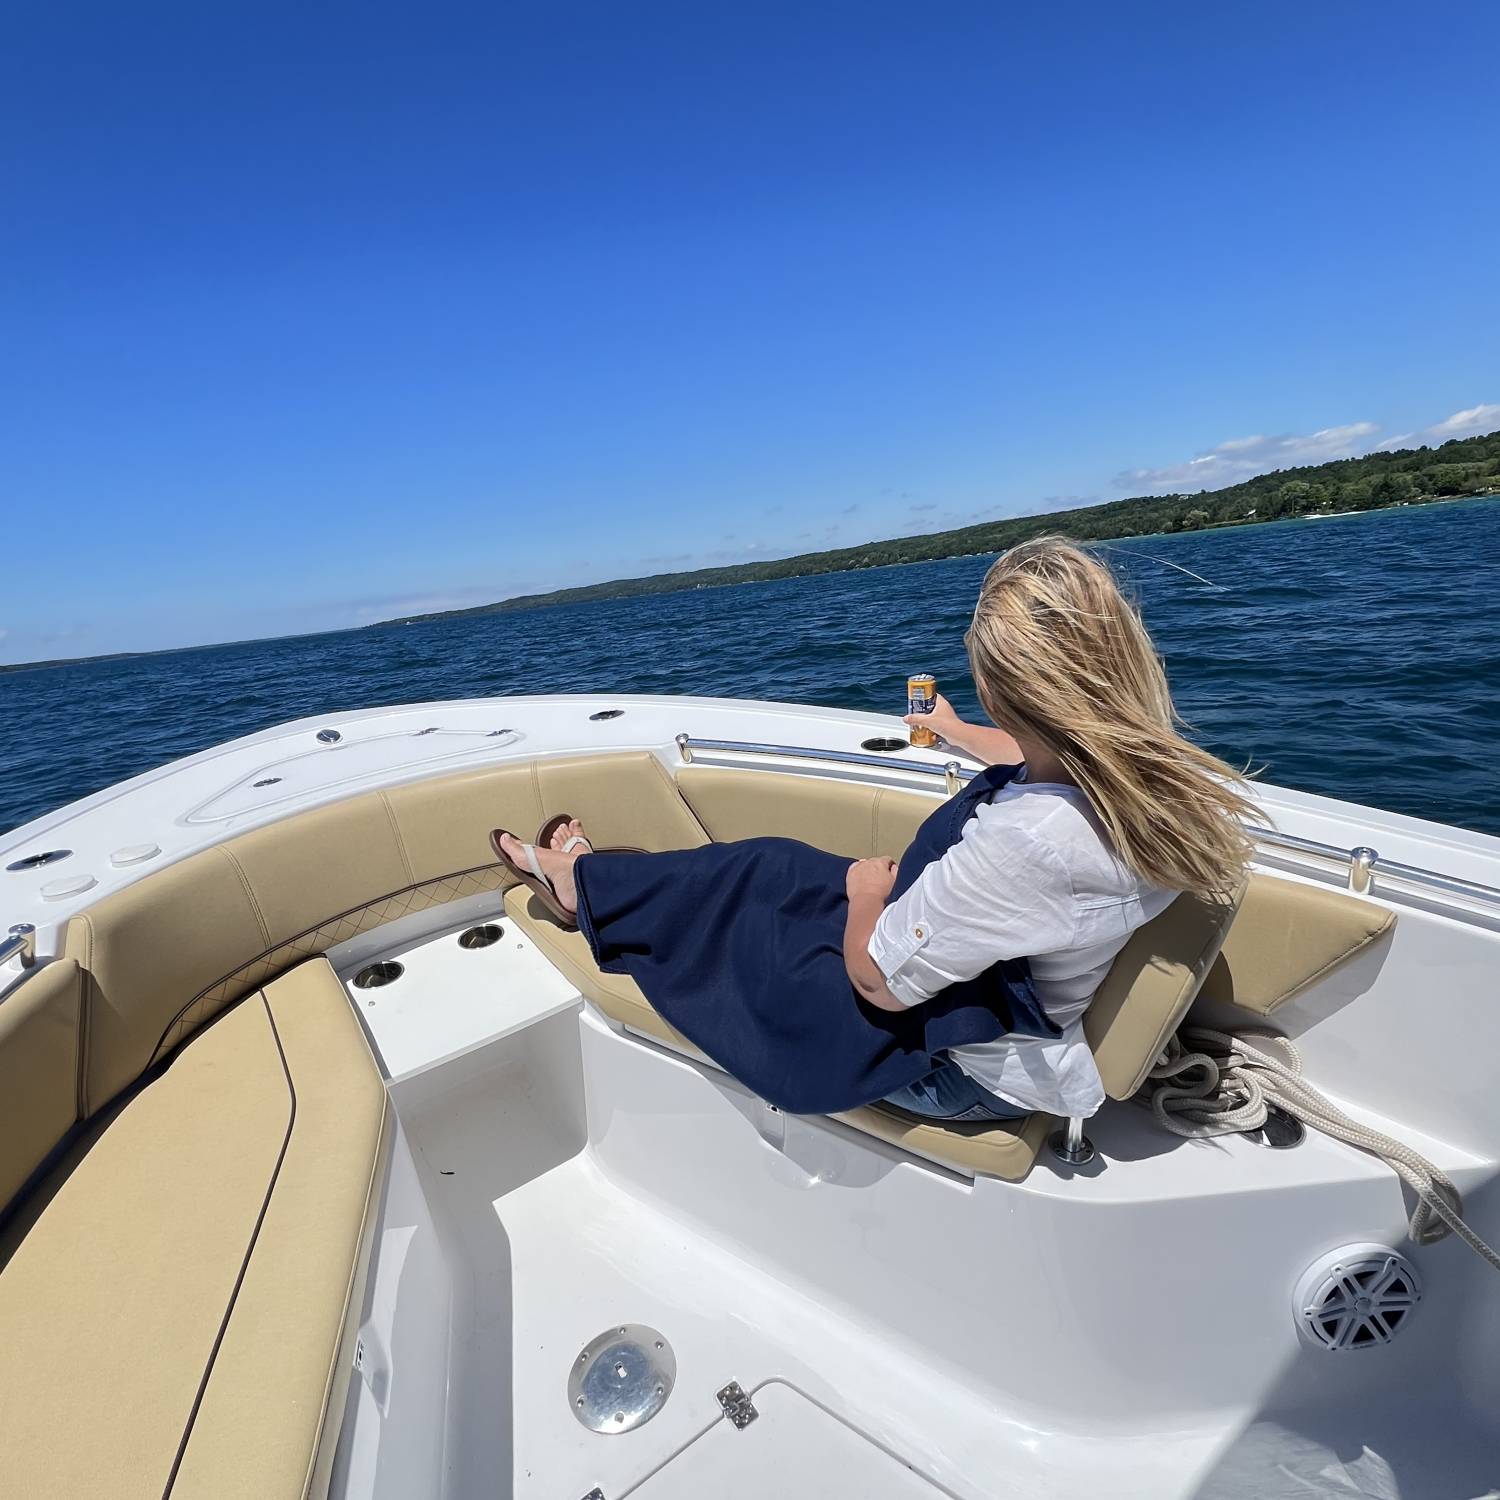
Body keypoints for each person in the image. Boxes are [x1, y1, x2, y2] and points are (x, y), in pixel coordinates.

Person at [494, 536, 1257, 1126]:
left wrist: (865, 897)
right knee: (772, 867)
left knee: (754, 941)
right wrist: (958, 732)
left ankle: (582, 886)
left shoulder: (1029, 847)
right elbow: (1050, 761)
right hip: (976, 972)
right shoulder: (1154, 776)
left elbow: (879, 986)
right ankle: (600, 885)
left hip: (956, 1065)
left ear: (1025, 700)